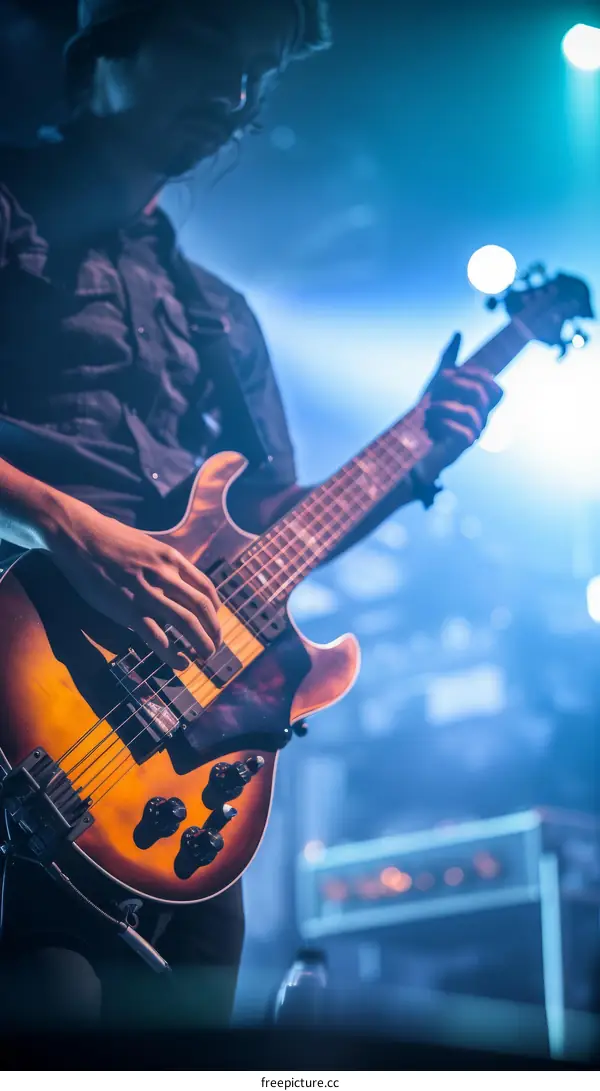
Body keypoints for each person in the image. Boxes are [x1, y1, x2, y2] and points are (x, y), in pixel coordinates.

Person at [0, 0, 502, 1032]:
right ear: (111, 44)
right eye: (211, 52)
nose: (234, 95)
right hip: (24, 651)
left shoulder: (219, 310)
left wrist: (416, 451)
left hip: (170, 741)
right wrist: (64, 519)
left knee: (184, 1033)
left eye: (254, 75)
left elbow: (272, 530)